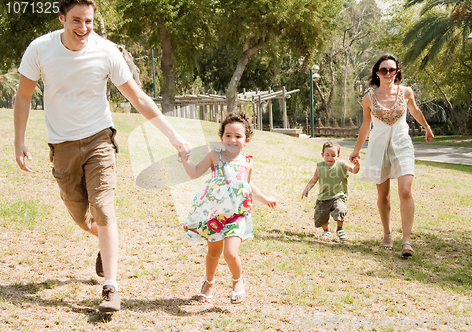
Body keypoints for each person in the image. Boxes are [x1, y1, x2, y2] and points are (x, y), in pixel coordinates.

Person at [14, 0, 189, 312]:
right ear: (61, 18)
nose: (83, 28)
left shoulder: (107, 51)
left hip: (99, 139)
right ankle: (107, 243)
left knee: (104, 208)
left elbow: (138, 97)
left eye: (89, 21)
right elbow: (24, 95)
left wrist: (173, 136)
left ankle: (111, 287)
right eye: (76, 21)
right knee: (80, 216)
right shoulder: (40, 49)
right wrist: (19, 140)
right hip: (62, 146)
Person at [179, 111, 276, 304]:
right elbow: (195, 172)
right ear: (221, 137)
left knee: (230, 252)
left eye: (238, 136)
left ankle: (237, 280)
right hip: (214, 215)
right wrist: (184, 160)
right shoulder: (215, 155)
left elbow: (248, 185)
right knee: (213, 252)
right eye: (228, 135)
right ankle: (209, 282)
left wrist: (264, 198)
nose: (232, 140)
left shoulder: (247, 162)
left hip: (236, 215)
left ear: (246, 140)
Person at [349, 53, 434, 258]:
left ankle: (406, 242)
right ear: (377, 73)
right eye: (384, 70)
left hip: (402, 144)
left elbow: (415, 111)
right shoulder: (368, 98)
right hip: (379, 147)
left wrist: (427, 128)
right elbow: (366, 125)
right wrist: (356, 149)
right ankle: (387, 233)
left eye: (392, 69)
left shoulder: (406, 92)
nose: (388, 73)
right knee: (384, 196)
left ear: (397, 72)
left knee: (405, 191)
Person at [302, 141, 360, 241]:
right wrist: (307, 188)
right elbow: (314, 179)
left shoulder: (341, 164)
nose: (330, 158)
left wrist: (357, 165)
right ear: (322, 155)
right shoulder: (320, 166)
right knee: (321, 216)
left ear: (338, 156)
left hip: (338, 195)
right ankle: (326, 230)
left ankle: (340, 229)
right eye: (327, 155)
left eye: (333, 155)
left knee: (340, 209)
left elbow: (354, 170)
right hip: (323, 197)